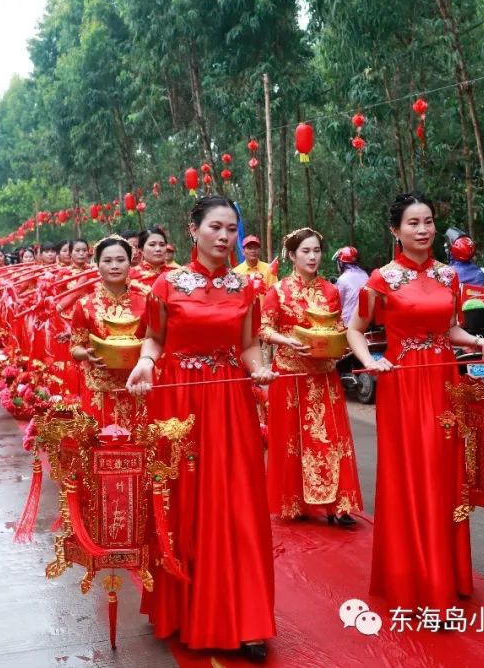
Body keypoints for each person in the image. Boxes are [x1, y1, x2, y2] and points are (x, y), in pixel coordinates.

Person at [346, 192, 484, 619]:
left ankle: (446, 575)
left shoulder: (448, 277)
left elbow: (451, 328)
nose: (423, 230)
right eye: (413, 223)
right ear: (395, 231)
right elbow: (356, 330)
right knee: (411, 474)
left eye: (429, 221)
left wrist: (480, 341)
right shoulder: (381, 279)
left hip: (442, 382)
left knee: (444, 472)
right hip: (402, 385)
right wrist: (369, 361)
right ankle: (411, 578)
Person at [127, 195, 277, 662]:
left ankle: (249, 621)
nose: (224, 237)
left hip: (230, 403)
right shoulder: (166, 286)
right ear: (193, 231)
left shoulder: (246, 287)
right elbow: (154, 338)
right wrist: (146, 364)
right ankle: (185, 611)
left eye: (231, 229)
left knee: (239, 503)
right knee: (187, 501)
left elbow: (249, 344)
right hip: (180, 402)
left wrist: (258, 369)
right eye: (215, 227)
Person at [260, 228, 362, 526]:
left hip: (323, 376)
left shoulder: (330, 291)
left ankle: (338, 506)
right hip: (290, 377)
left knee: (330, 439)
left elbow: (338, 328)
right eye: (306, 251)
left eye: (317, 250)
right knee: (292, 441)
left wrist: (338, 345)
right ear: (292, 255)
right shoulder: (277, 291)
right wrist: (286, 340)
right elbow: (263, 328)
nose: (313, 256)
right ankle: (296, 502)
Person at [69, 235, 149, 424]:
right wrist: (87, 355)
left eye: (121, 260)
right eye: (107, 260)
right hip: (99, 391)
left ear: (130, 263)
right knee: (100, 447)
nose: (114, 266)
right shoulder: (84, 305)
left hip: (138, 387)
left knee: (140, 447)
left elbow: (158, 342)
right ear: (97, 264)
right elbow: (75, 348)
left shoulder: (147, 301)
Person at [332, 245, 369, 325]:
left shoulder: (343, 279)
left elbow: (338, 304)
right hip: (365, 322)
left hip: (348, 322)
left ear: (341, 263)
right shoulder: (365, 275)